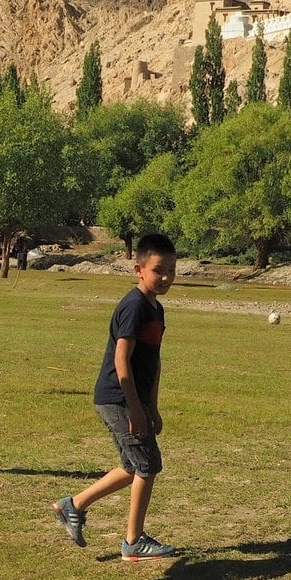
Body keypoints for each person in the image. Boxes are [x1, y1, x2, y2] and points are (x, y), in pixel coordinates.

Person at [52, 233, 178, 561]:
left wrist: (153, 406)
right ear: (139, 269)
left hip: (130, 400)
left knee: (132, 465)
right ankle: (133, 541)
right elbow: (122, 359)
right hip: (117, 397)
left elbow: (153, 361)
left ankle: (74, 505)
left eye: (171, 270)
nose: (165, 277)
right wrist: (135, 408)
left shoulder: (156, 309)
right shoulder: (134, 306)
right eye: (158, 270)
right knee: (147, 465)